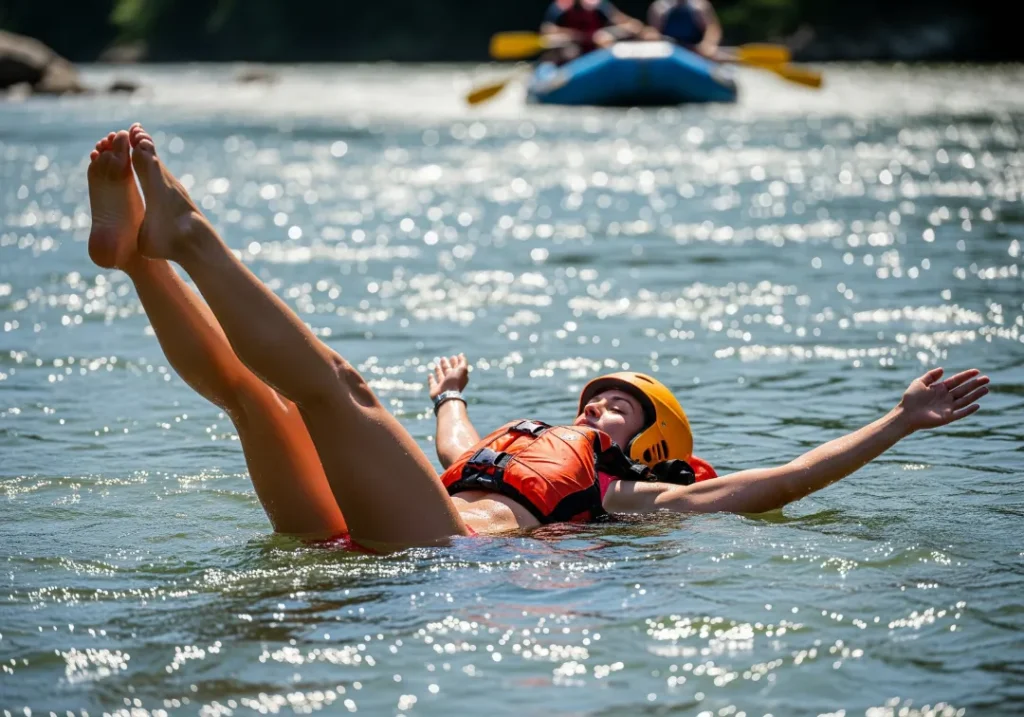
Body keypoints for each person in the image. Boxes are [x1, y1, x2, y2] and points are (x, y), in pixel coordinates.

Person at [86, 124, 992, 552]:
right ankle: (139, 262)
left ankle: (193, 238)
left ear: (651, 443)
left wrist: (899, 421)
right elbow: (453, 446)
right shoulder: (518, 447)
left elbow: (786, 480)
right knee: (261, 398)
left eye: (620, 405)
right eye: (595, 395)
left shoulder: (636, 498)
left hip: (439, 551)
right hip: (353, 535)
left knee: (341, 386)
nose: (597, 404)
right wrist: (450, 396)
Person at [539, 0, 652, 63]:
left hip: (596, 46)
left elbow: (621, 20)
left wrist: (640, 29)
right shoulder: (561, 8)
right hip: (573, 47)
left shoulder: (598, 6)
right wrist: (578, 35)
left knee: (608, 38)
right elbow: (547, 30)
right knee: (568, 51)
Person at [647, 0, 723, 59]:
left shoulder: (700, 6)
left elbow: (712, 29)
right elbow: (655, 32)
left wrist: (707, 45)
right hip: (670, 53)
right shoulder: (659, 7)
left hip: (696, 52)